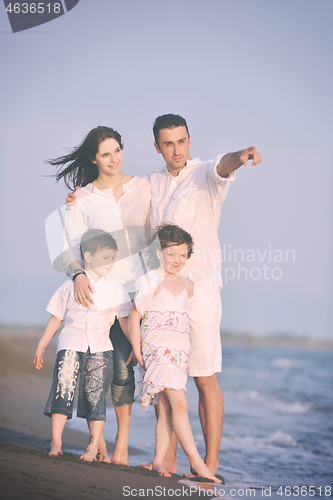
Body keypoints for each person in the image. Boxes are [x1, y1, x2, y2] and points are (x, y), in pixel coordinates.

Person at [147, 114, 262, 476]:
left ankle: (209, 466)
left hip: (202, 292)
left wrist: (241, 154)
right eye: (168, 143)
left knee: (204, 377)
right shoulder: (152, 183)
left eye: (181, 141)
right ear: (158, 147)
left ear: (189, 140)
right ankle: (168, 459)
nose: (176, 149)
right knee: (166, 376)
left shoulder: (203, 174)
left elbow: (222, 166)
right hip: (163, 295)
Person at [47, 126, 150, 465]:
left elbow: (155, 236)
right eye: (105, 153)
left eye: (117, 150)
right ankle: (97, 441)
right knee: (94, 368)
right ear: (94, 158)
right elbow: (68, 245)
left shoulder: (144, 188)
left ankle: (120, 443)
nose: (114, 158)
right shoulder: (84, 197)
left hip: (131, 295)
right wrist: (77, 273)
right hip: (94, 293)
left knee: (122, 371)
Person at [129, 223, 221, 483]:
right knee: (180, 403)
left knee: (168, 407)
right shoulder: (150, 280)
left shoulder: (188, 285)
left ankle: (159, 460)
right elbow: (135, 315)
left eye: (183, 255)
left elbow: (182, 321)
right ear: (159, 253)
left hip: (179, 353)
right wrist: (137, 351)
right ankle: (198, 463)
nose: (177, 260)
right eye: (171, 254)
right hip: (157, 350)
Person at [34, 229, 132, 460]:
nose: (110, 263)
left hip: (100, 348)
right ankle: (56, 443)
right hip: (69, 344)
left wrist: (136, 348)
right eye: (105, 257)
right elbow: (56, 317)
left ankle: (92, 447)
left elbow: (126, 324)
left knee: (95, 397)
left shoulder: (115, 289)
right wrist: (41, 345)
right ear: (88, 256)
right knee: (63, 390)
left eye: (113, 258)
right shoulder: (69, 286)